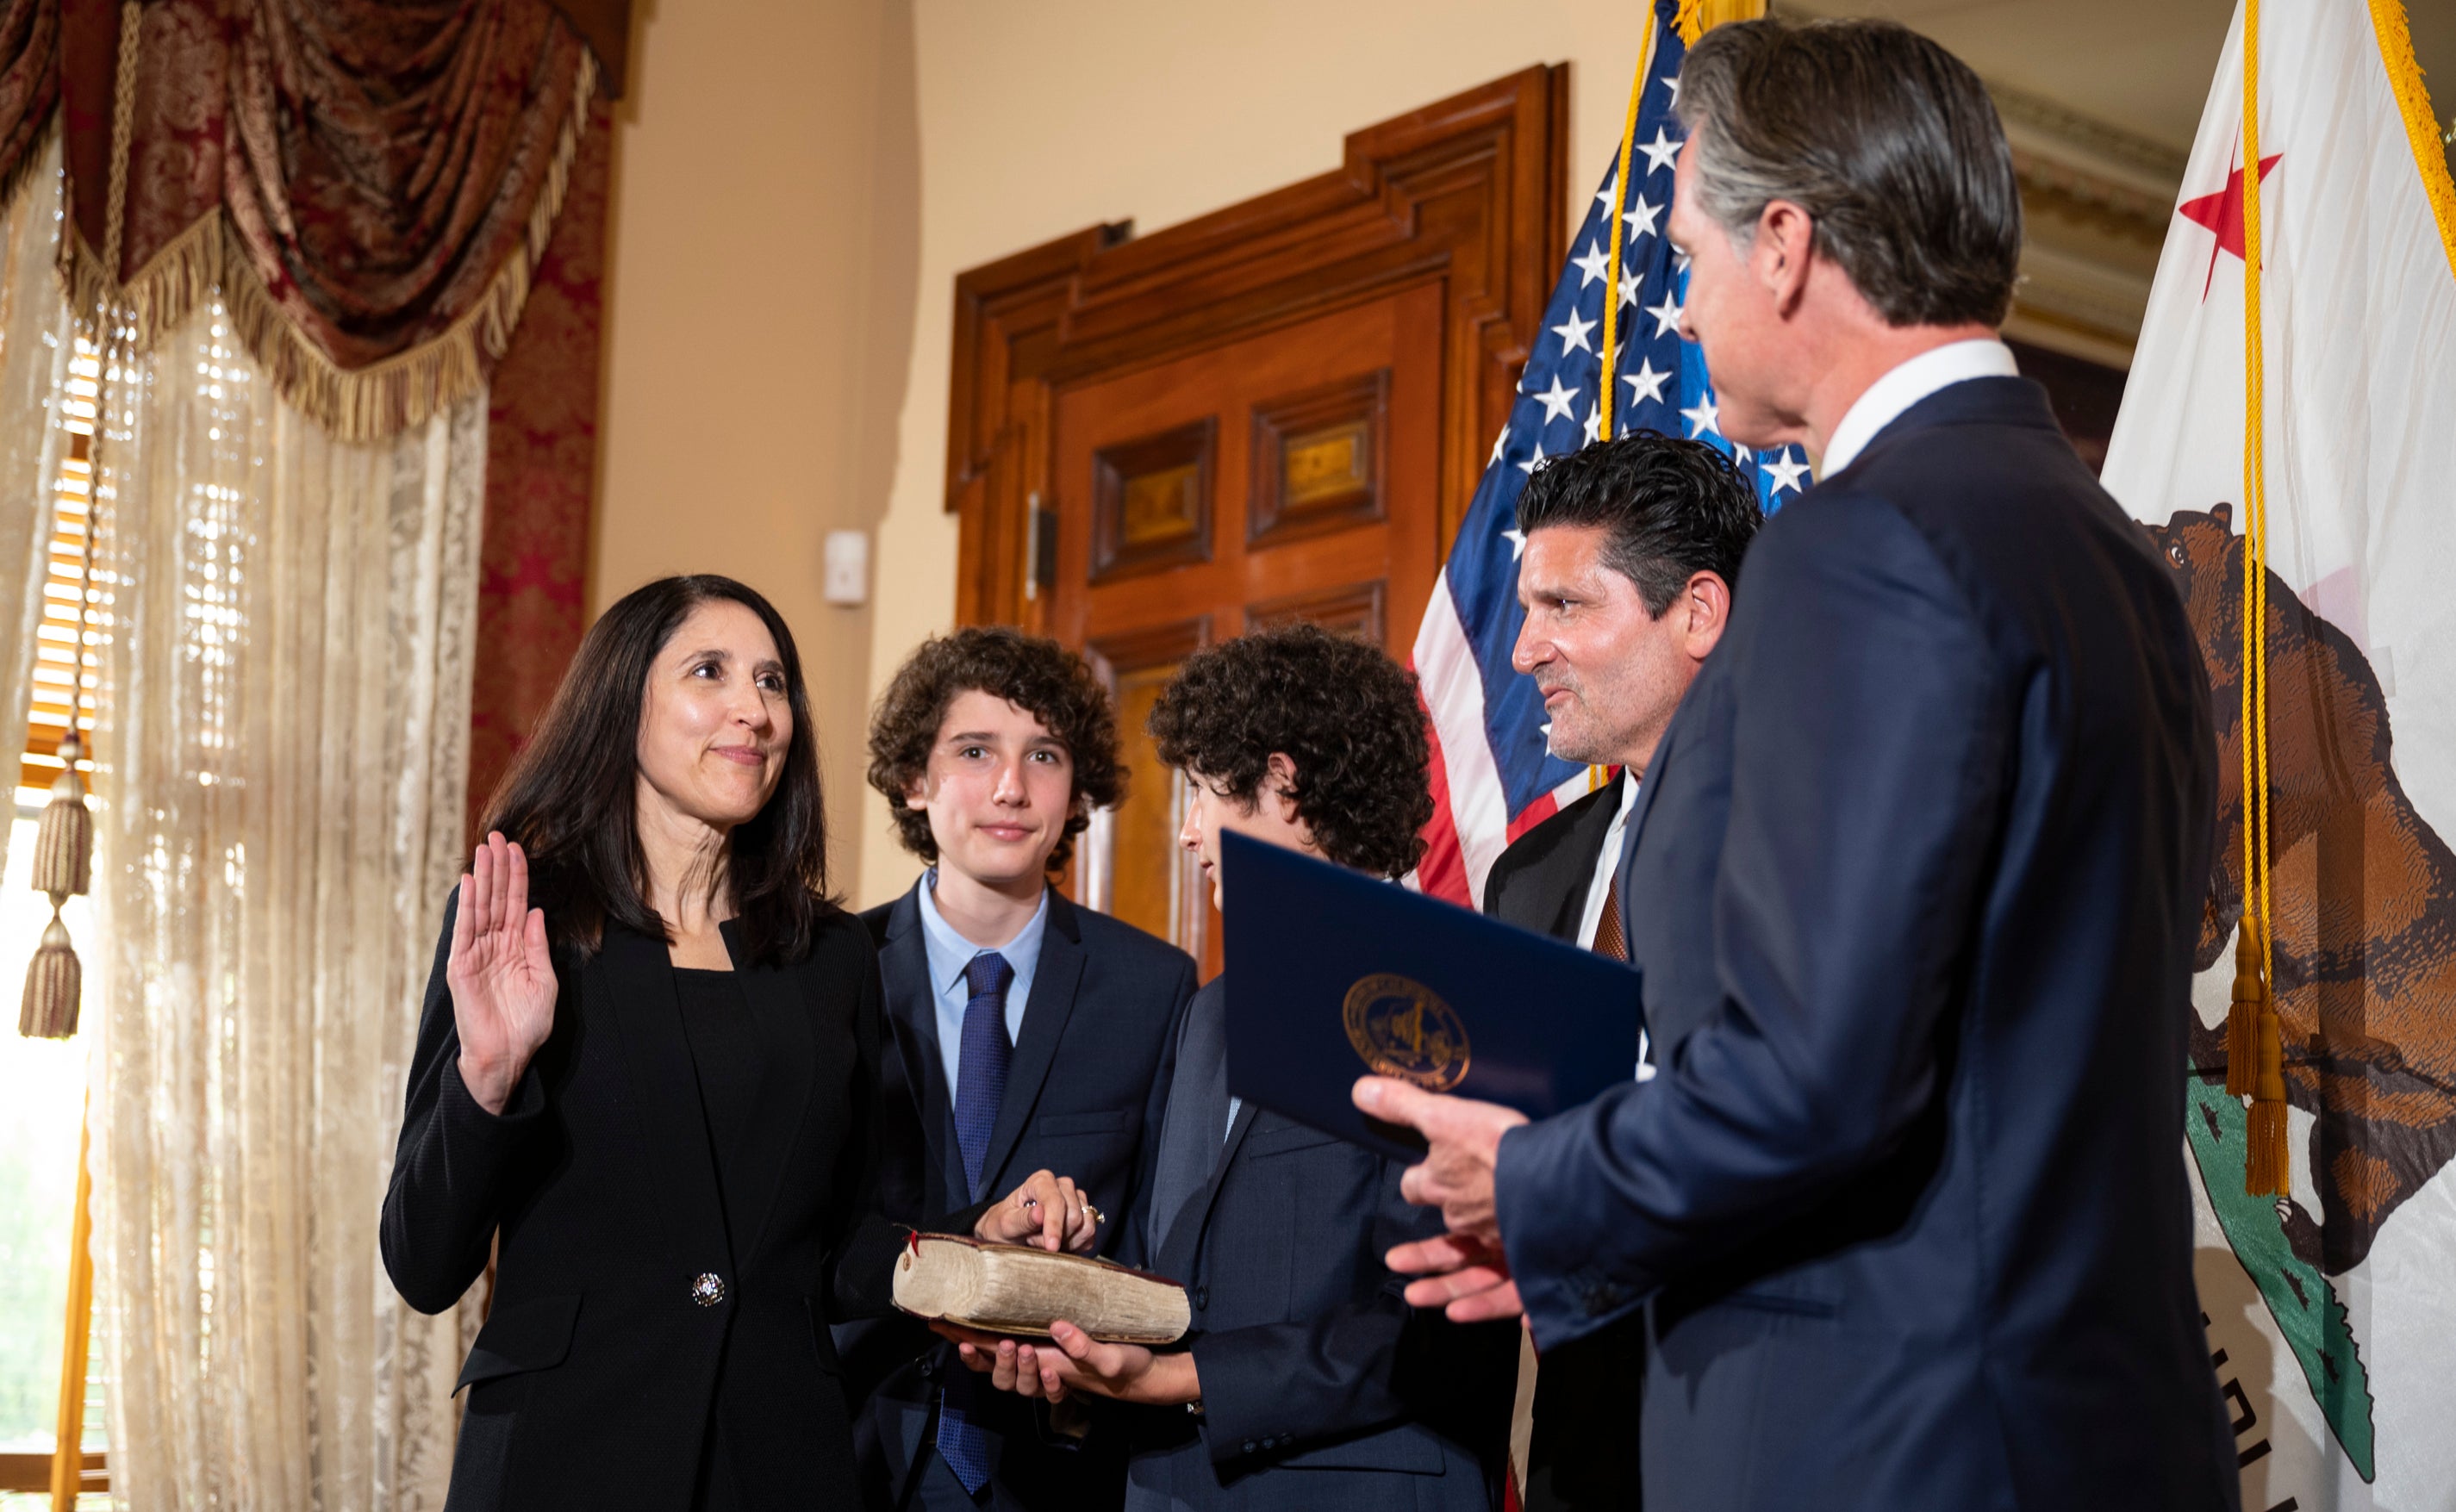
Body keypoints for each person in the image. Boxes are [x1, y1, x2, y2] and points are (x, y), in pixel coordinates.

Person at [1356, 18, 2240, 1512]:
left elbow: (1816, 1073)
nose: (1684, 311)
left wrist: (1539, 1183)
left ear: (1784, 244)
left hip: (1893, 1443)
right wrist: (1590, 1241)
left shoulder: (1865, 548)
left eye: (1690, 252)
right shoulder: (2103, 543)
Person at [380, 576, 1098, 1512]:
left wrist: (977, 1242)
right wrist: (488, 1077)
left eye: (772, 682)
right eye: (709, 673)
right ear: (622, 703)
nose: (753, 710)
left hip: (780, 1459)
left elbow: (840, 1250)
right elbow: (423, 1265)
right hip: (565, 1455)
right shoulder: (529, 923)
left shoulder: (832, 955)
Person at [944, 624, 1516, 1511]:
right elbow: (1185, 1274)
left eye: (1205, 795)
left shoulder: (1439, 1000)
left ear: (1283, 789)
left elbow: (1448, 1327)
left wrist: (1181, 1380)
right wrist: (1057, 1294)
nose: (1187, 834)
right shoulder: (1209, 1013)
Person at [843, 627, 1198, 1510]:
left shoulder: (1153, 988)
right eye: (974, 752)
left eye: (1043, 754)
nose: (1011, 787)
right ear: (913, 782)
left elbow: (1160, 1244)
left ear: (1076, 789)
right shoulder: (826, 973)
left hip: (1058, 1464)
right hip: (849, 1445)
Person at [1480, 433, 1758, 1511]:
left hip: (1771, 1409)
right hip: (1582, 1433)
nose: (1523, 650)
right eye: (1525, 610)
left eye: (1566, 608)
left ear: (1696, 612)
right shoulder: (1532, 874)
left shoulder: (1821, 838)